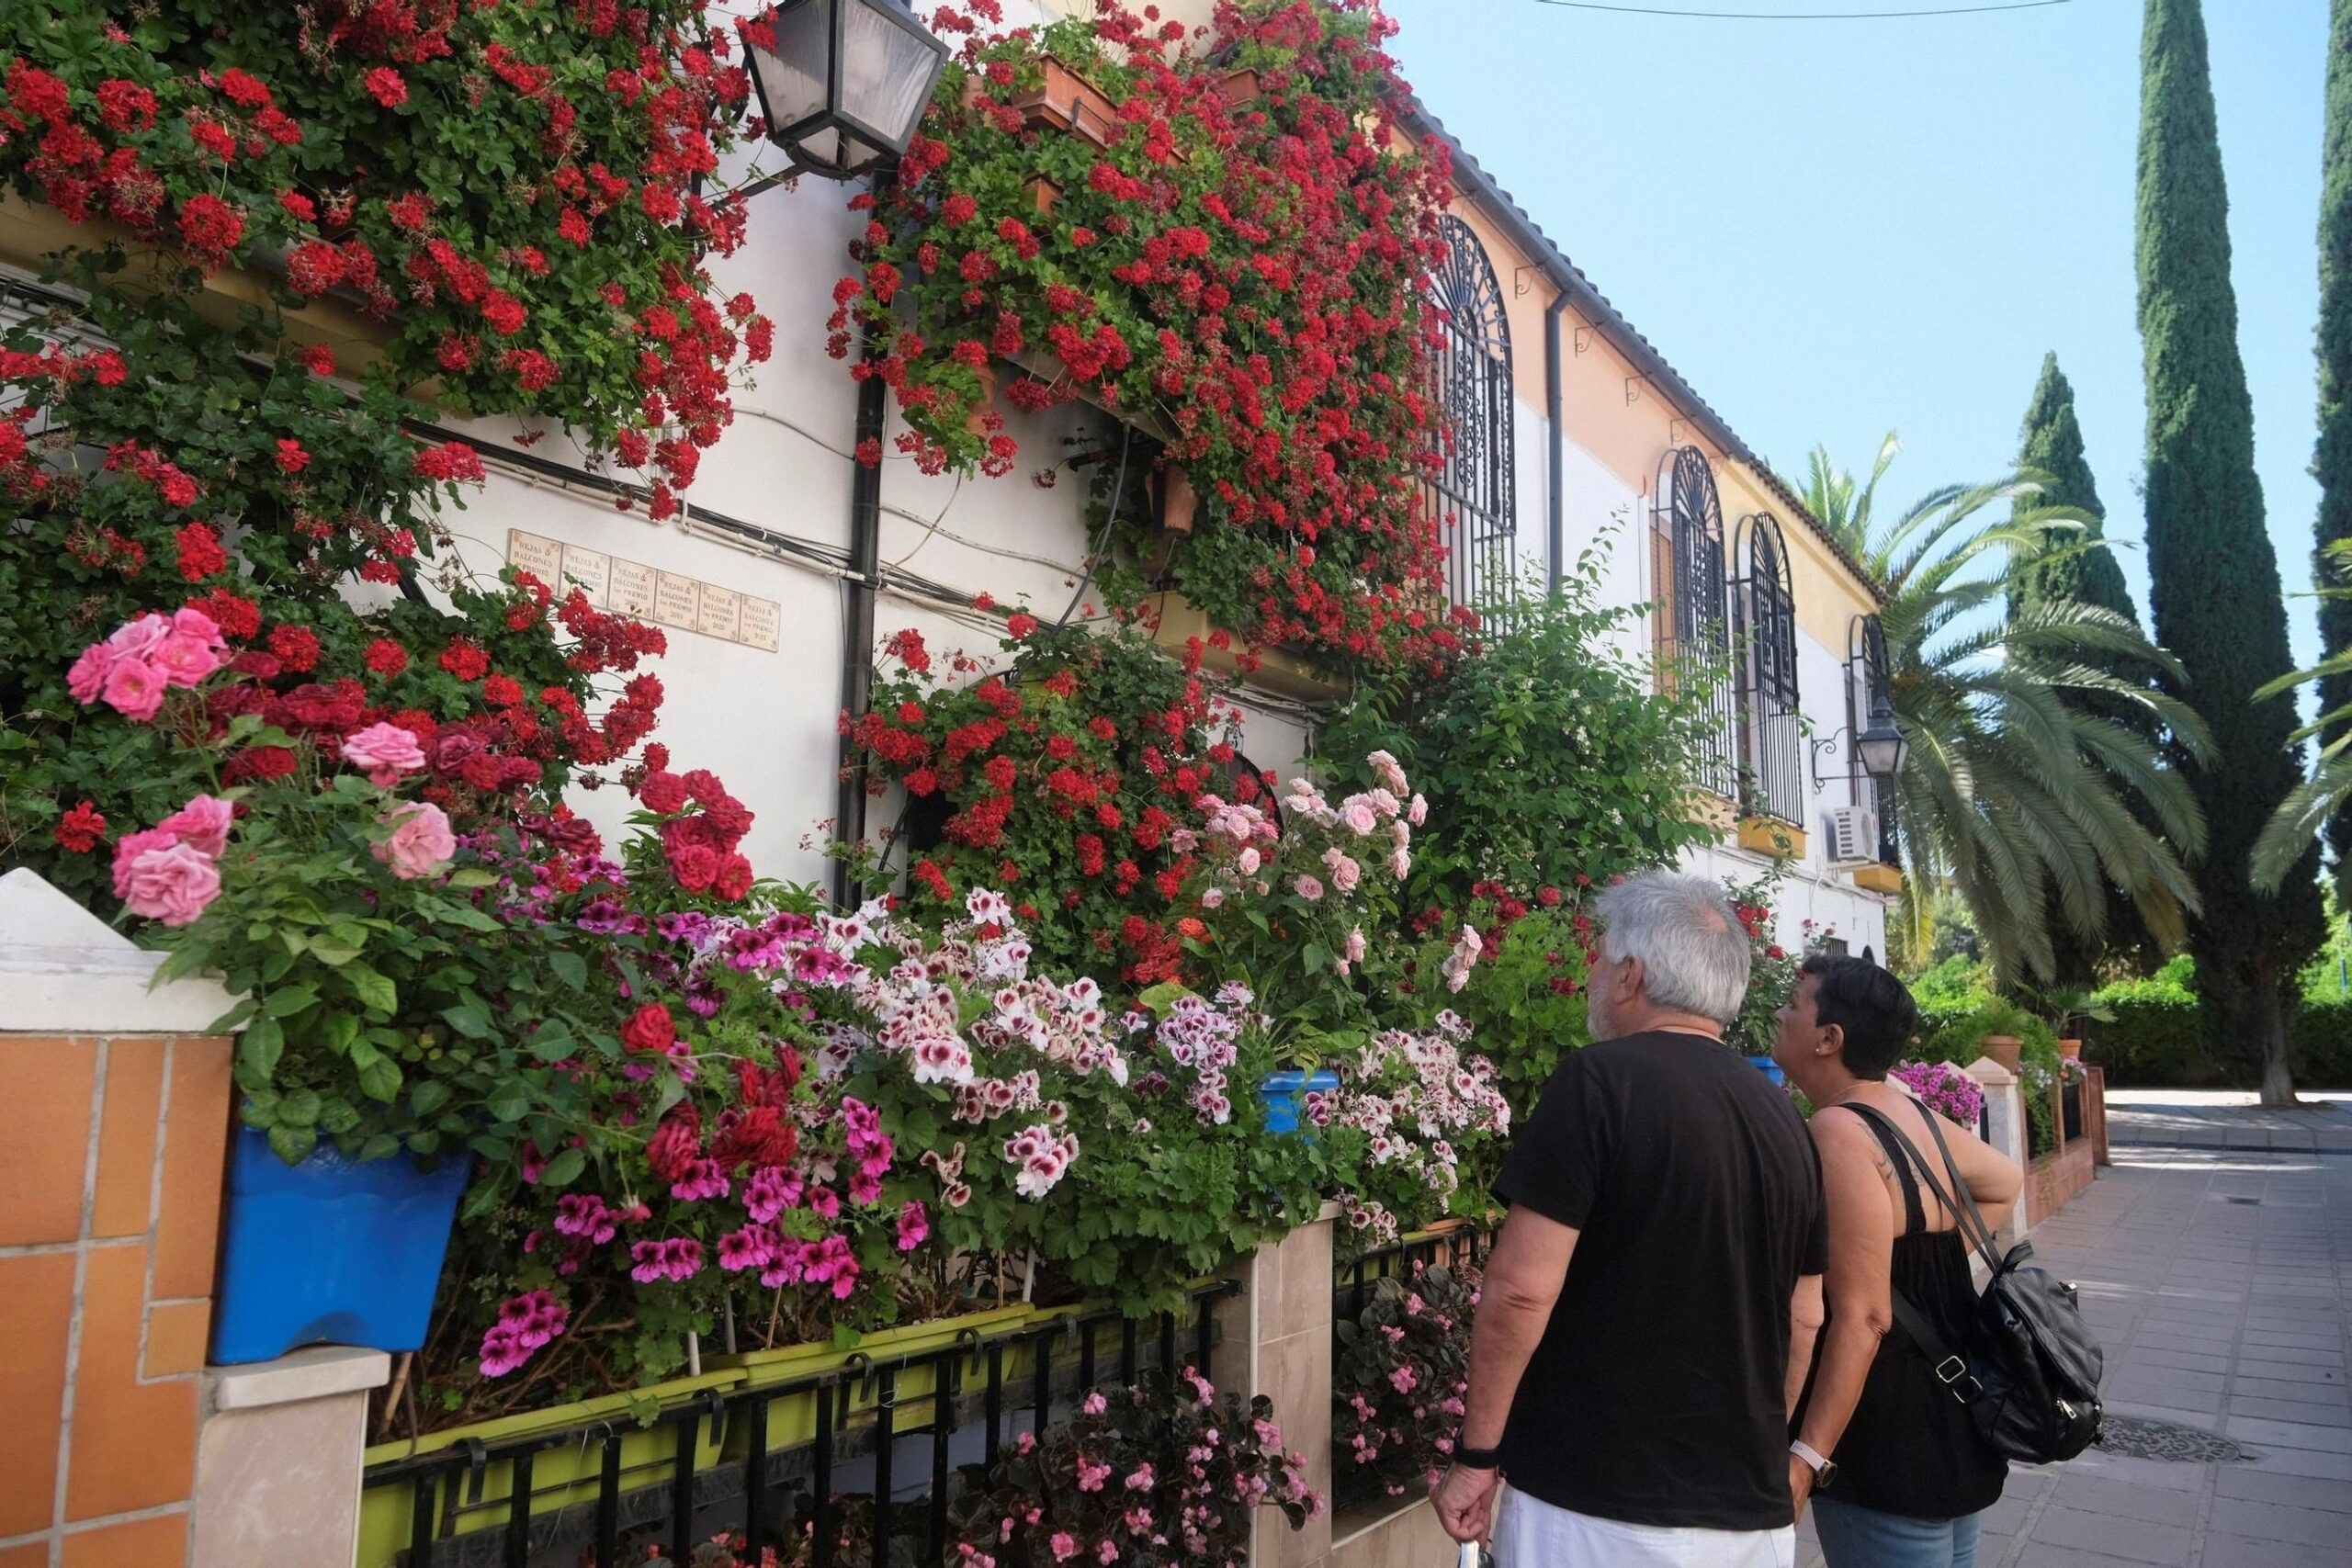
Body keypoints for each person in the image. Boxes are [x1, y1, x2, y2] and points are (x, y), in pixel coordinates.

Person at [1432, 870, 1829, 1568]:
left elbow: (1521, 1290)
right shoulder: (1785, 1118)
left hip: (1594, 1509)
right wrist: (1763, 1451)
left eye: (1602, 957)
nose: (1594, 973)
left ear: (1630, 975)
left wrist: (1477, 1454)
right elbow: (1806, 1315)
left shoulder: (1597, 1083)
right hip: (1749, 1519)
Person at [1775, 954, 2020, 1568]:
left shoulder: (1837, 1130)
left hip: (1884, 1439)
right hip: (1951, 1414)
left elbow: (1865, 1318)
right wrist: (1918, 1256)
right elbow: (2005, 1180)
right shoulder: (1908, 1113)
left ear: (1829, 1039)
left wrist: (1807, 1456)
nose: (1779, 1014)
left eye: (1794, 1005)